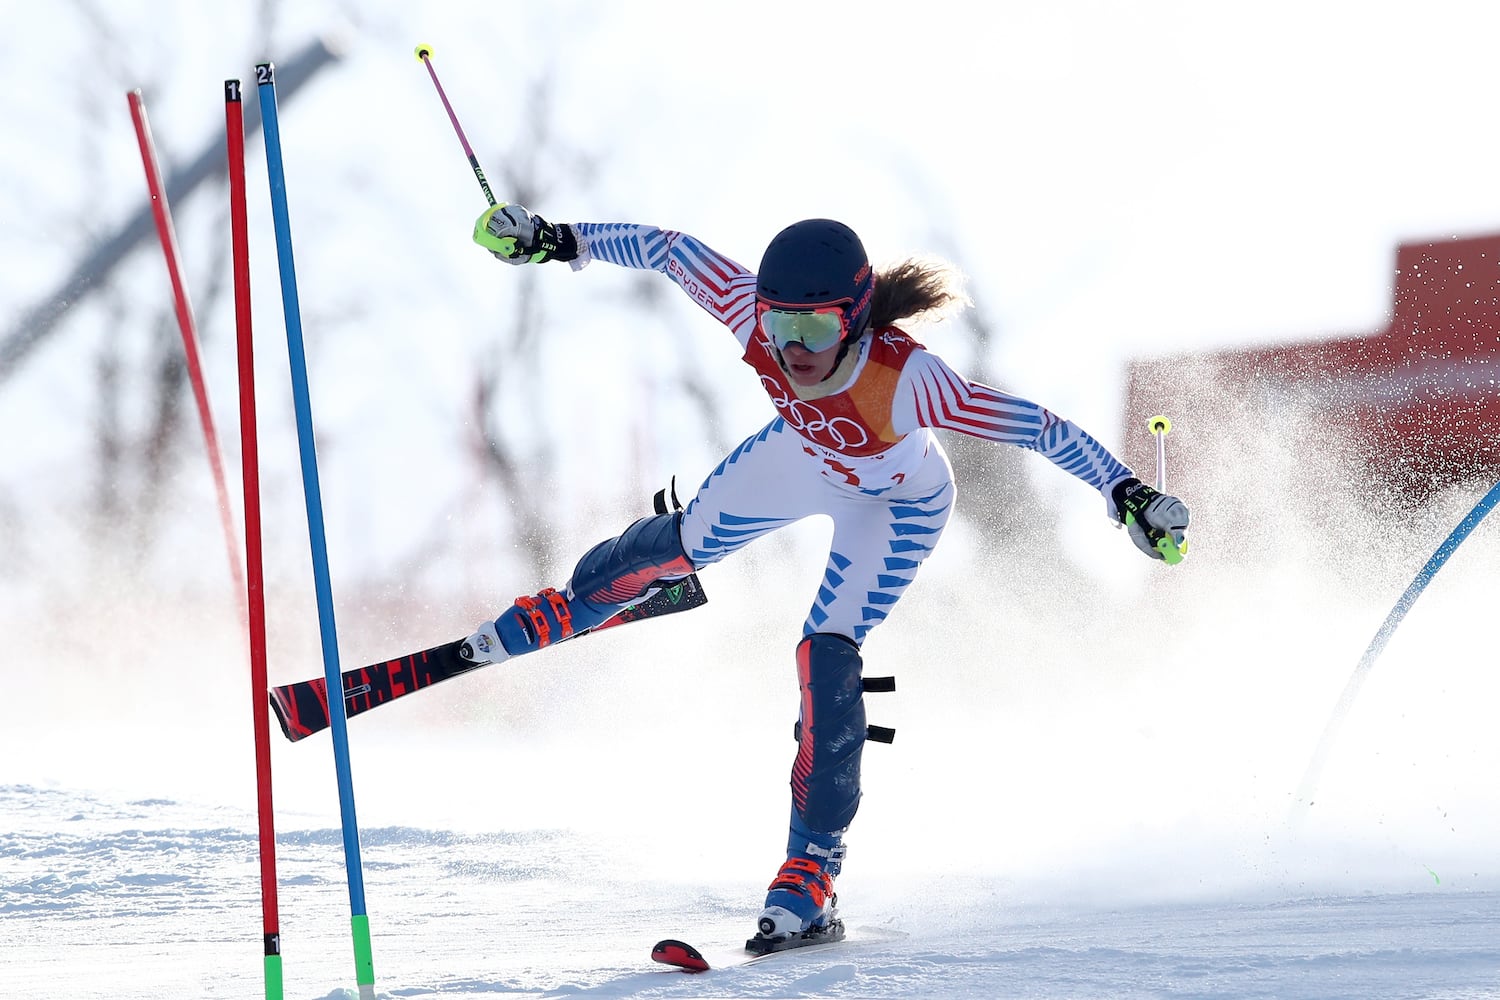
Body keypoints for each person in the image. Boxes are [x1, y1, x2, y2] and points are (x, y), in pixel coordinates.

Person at [459, 204, 1190, 944]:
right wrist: (555, 241)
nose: (793, 349)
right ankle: (570, 605)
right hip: (804, 459)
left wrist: (1128, 494)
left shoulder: (911, 381)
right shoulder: (750, 313)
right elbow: (666, 249)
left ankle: (812, 868)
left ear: (857, 320)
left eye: (815, 330)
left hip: (901, 504)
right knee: (685, 543)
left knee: (826, 652)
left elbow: (1038, 426)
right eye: (781, 328)